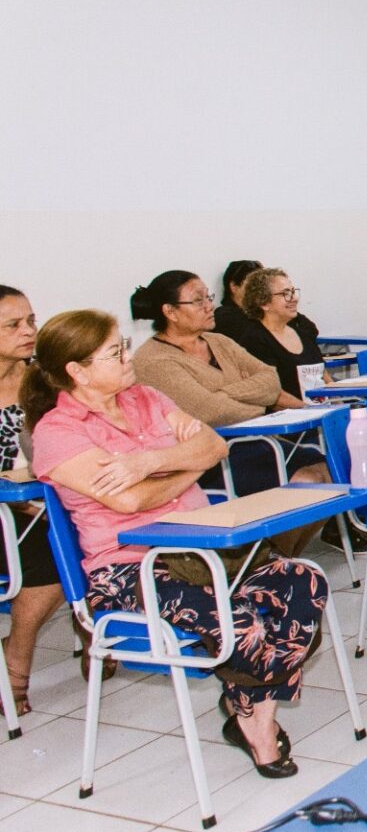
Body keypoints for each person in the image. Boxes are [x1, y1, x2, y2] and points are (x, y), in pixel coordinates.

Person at [24, 309, 329, 777]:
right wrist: (184, 469)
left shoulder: (144, 397)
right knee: (240, 620)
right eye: (115, 352)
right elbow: (128, 502)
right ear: (77, 371)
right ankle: (259, 727)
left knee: (304, 581)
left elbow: (213, 446)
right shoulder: (57, 433)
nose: (129, 357)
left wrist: (149, 462)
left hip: (203, 550)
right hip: (129, 570)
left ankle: (247, 706)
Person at [129, 271, 329, 553]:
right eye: (197, 301)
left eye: (208, 298)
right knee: (307, 481)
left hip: (256, 442)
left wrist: (229, 393)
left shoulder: (218, 341)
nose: (209, 306)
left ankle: (280, 554)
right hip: (210, 456)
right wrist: (256, 400)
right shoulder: (154, 360)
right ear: (170, 311)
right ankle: (269, 556)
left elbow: (270, 380)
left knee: (330, 472)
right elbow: (209, 412)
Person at [1, 287, 113, 716]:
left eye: (30, 320)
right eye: (14, 325)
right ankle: (16, 658)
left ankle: (94, 629)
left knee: (94, 527)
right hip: (9, 510)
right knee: (51, 549)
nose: (29, 331)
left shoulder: (45, 378)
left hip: (49, 497)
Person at [234, 268, 332, 402]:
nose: (294, 298)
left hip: (322, 412)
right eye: (285, 293)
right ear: (263, 303)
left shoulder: (302, 333)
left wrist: (340, 404)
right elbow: (270, 394)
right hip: (293, 416)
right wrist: (309, 410)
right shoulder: (255, 340)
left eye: (293, 291)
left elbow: (323, 375)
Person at [213, 259, 318, 344]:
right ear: (234, 287)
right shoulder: (224, 316)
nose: (258, 289)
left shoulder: (269, 311)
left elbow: (311, 329)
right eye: (251, 285)